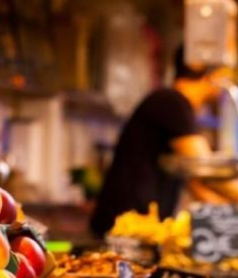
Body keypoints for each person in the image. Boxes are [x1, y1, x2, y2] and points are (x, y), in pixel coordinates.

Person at [91, 47, 227, 236]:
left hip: (141, 230)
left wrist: (235, 214)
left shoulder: (176, 105)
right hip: (124, 230)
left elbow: (198, 185)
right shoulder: (172, 102)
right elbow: (204, 169)